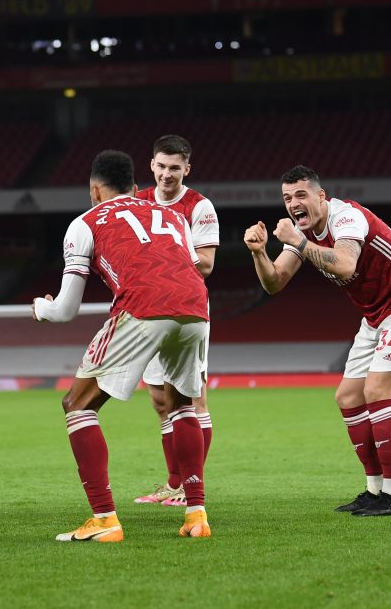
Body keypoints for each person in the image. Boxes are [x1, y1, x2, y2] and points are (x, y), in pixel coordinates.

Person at [33, 150, 212, 541]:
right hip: (197, 307)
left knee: (77, 404)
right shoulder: (174, 216)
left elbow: (65, 310)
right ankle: (196, 515)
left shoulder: (84, 223)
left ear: (94, 190)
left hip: (144, 307)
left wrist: (41, 308)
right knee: (183, 405)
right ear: (135, 188)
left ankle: (103, 519)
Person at [244, 165, 391, 517]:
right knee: (348, 396)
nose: (293, 203)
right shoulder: (303, 232)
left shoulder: (346, 217)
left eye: (301, 195)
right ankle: (374, 489)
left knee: (377, 390)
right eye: (287, 198)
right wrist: (259, 252)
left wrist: (297, 241)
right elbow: (274, 283)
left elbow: (346, 265)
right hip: (375, 314)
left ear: (321, 196)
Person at [133, 135, 219, 506]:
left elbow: (208, 263)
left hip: (186, 309)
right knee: (158, 397)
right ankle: (173, 483)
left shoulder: (199, 206)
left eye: (175, 168)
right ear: (151, 165)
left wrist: (161, 266)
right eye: (161, 166)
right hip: (149, 309)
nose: (167, 174)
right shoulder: (137, 203)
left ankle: (191, 485)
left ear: (187, 168)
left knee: (192, 400)